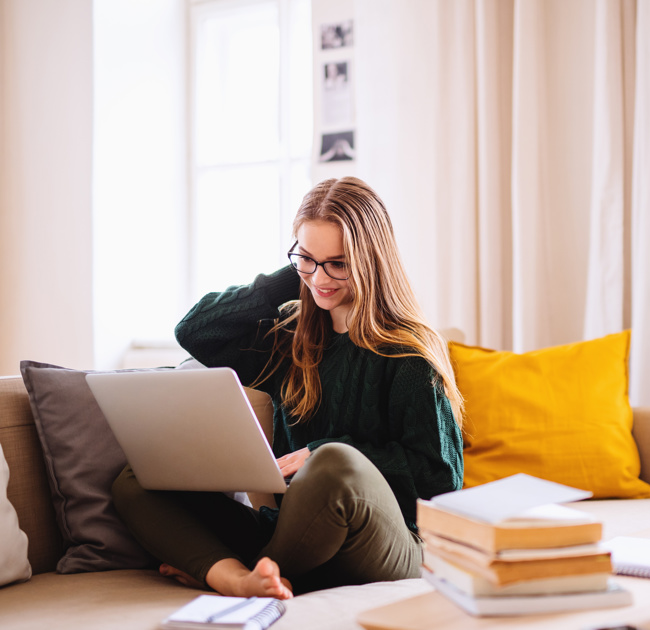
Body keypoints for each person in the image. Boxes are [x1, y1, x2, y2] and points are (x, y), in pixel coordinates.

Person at [112, 177, 464, 599]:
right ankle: (242, 578)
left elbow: (442, 481)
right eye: (307, 259)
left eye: (338, 263)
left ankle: (254, 571)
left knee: (335, 463)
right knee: (139, 478)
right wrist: (294, 274)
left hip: (390, 542)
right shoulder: (290, 339)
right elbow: (195, 330)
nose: (321, 279)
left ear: (371, 260)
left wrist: (322, 453)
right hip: (294, 534)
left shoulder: (409, 355)